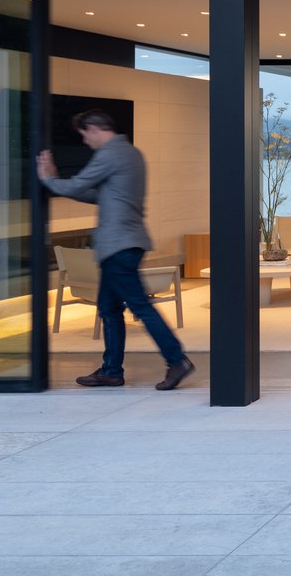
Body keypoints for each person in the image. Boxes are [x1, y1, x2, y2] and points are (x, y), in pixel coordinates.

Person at [37, 111, 195, 390]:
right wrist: (60, 184)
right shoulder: (130, 153)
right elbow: (97, 195)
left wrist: (49, 179)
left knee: (140, 307)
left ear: (95, 128)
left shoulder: (110, 154)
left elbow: (79, 184)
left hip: (118, 245)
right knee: (109, 309)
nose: (86, 142)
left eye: (85, 135)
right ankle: (111, 371)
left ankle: (177, 360)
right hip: (125, 243)